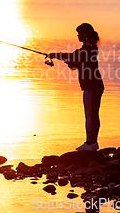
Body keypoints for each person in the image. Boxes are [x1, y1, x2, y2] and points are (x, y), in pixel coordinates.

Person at [48, 23, 104, 152]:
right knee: (93, 114)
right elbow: (74, 60)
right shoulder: (89, 48)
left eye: (79, 33)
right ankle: (93, 142)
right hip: (95, 85)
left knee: (90, 114)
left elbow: (73, 59)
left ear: (85, 35)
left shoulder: (87, 50)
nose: (78, 35)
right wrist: (58, 56)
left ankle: (90, 143)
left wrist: (56, 56)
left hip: (91, 86)